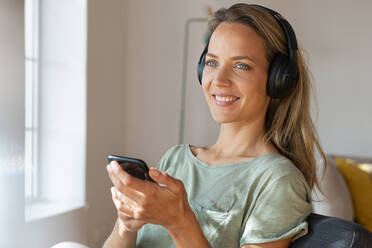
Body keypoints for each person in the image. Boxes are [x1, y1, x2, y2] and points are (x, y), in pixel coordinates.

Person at [103, 3, 326, 248]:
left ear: (278, 80)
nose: (218, 80)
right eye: (211, 63)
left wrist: (180, 222)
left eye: (241, 65)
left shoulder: (277, 180)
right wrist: (125, 224)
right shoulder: (176, 160)